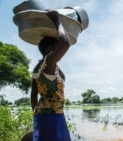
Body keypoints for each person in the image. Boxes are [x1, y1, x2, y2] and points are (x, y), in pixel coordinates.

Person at [30, 10, 71, 141]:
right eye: (55, 47)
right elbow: (65, 42)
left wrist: (37, 116)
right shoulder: (48, 63)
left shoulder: (38, 68)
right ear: (48, 49)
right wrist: (56, 19)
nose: (59, 51)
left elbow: (33, 95)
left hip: (45, 116)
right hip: (52, 118)